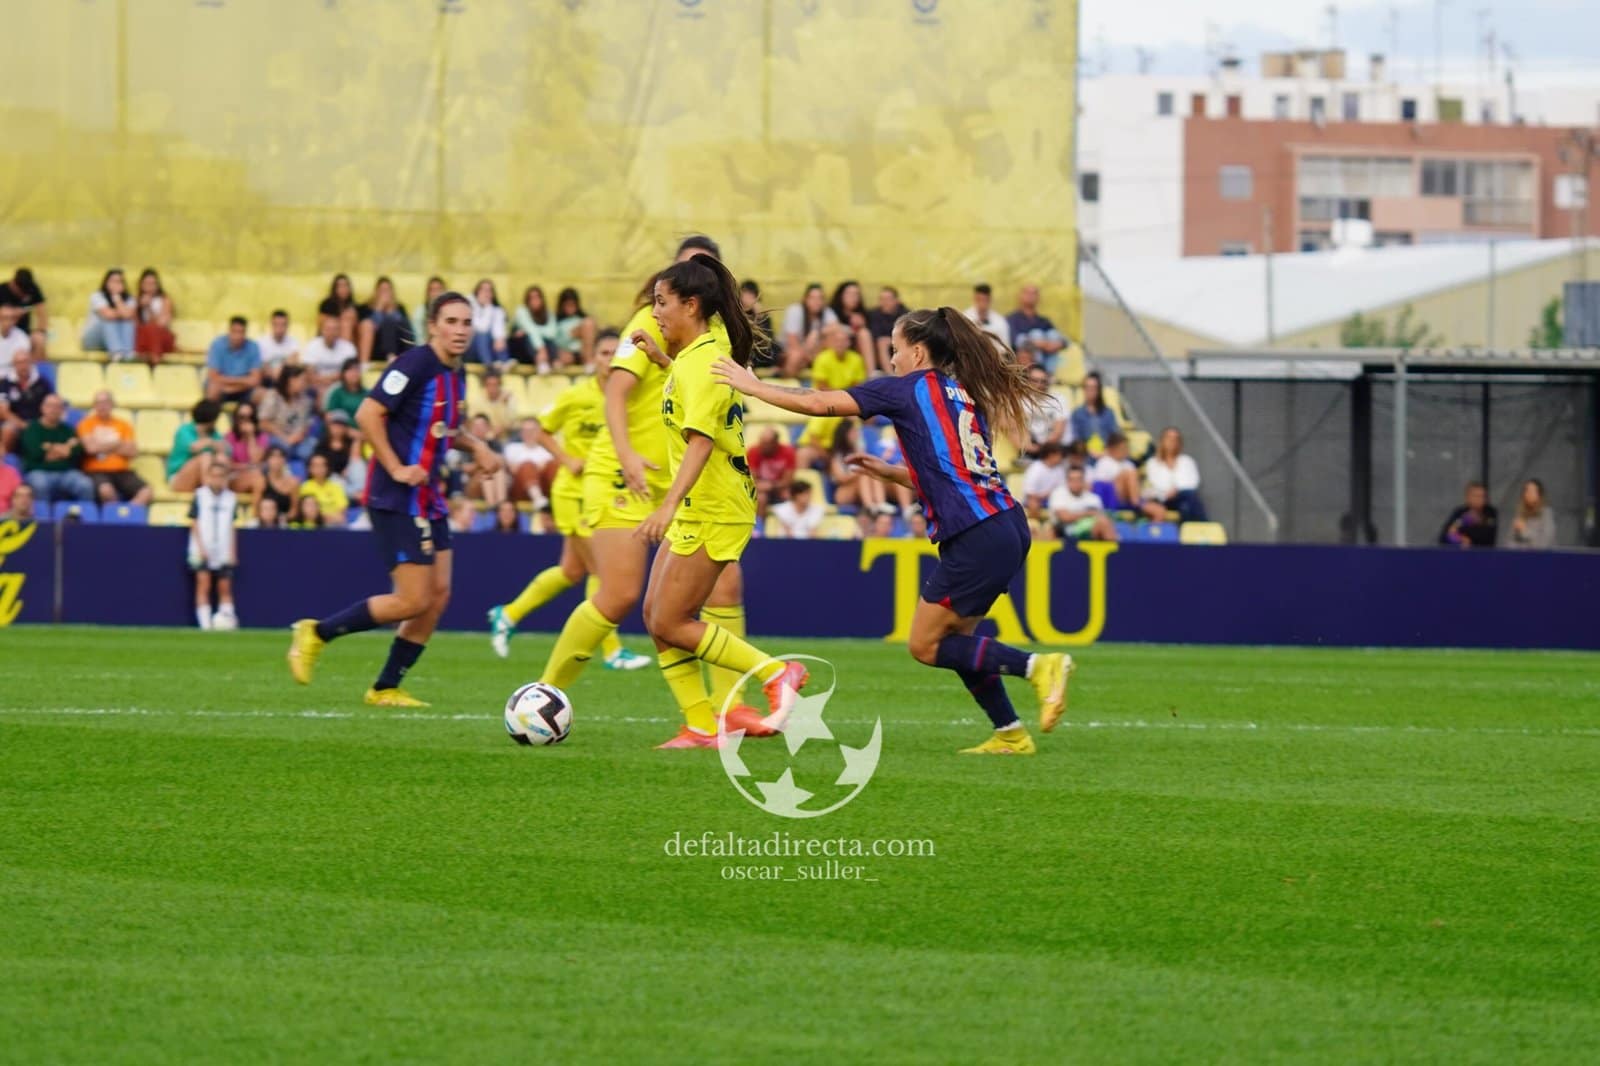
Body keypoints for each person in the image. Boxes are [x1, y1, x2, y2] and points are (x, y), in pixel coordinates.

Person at [714, 305, 1074, 755]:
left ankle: (1038, 666)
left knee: (925, 645)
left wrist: (752, 385)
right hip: (1004, 523)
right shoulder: (961, 394)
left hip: (977, 531)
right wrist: (891, 472)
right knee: (955, 640)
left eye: (895, 350)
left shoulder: (905, 389)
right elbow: (954, 471)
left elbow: (819, 403)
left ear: (918, 352)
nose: (891, 361)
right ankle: (1011, 734)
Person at [533, 237, 767, 743]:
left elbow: (694, 393)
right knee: (621, 595)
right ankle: (544, 693)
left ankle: (726, 711)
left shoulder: (712, 336)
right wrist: (625, 456)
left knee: (717, 591)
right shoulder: (646, 320)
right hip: (627, 476)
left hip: (689, 485)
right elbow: (616, 391)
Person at [287, 290, 502, 706]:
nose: (460, 330)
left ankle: (385, 687)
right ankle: (316, 633)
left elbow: (445, 430)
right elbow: (368, 413)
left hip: (427, 496)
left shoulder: (456, 374)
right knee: (412, 600)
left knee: (438, 596)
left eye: (466, 322)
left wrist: (478, 447)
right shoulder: (415, 363)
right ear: (433, 326)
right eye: (451, 322)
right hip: (396, 496)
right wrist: (397, 467)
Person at [633, 253, 808, 749]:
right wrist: (660, 361)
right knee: (655, 616)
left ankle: (777, 673)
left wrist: (667, 505)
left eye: (662, 303)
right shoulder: (692, 359)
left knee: (670, 620)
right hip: (702, 505)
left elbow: (701, 440)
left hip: (713, 506)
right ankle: (700, 724)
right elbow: (696, 396)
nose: (656, 312)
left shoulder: (707, 362)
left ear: (691, 305)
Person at [487, 331, 651, 670]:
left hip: (605, 489)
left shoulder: (628, 397)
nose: (609, 359)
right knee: (599, 570)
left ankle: (508, 613)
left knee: (571, 570)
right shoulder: (576, 396)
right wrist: (565, 458)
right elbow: (542, 430)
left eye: (614, 352)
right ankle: (612, 650)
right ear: (594, 358)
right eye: (603, 352)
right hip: (573, 492)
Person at [797, 322, 869, 461]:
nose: (840, 344)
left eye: (843, 340)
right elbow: (822, 387)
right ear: (830, 342)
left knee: (862, 422)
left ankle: (858, 461)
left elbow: (857, 387)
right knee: (803, 454)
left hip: (848, 406)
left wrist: (842, 397)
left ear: (849, 342)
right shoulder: (822, 359)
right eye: (836, 340)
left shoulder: (856, 359)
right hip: (824, 402)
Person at [188, 461, 239, 630]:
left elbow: (232, 526)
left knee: (224, 586)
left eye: (221, 476)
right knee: (204, 583)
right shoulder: (200, 495)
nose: (217, 479)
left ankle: (228, 621)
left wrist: (232, 551)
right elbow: (194, 522)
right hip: (201, 548)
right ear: (208, 477)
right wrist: (201, 547)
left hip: (223, 547)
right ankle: (205, 625)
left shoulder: (231, 498)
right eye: (214, 475)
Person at [77, 389, 151, 506]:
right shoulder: (86, 423)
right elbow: (91, 449)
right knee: (106, 491)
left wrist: (101, 444)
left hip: (122, 471)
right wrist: (117, 443)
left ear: (112, 404)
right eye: (98, 403)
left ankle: (128, 514)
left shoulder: (124, 424)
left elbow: (132, 451)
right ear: (94, 406)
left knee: (146, 492)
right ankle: (116, 515)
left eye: (105, 402)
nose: (102, 406)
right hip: (96, 471)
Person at [21, 394, 94, 505]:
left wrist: (49, 447)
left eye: (58, 407)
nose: (54, 410)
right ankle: (42, 521)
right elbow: (36, 452)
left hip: (66, 473)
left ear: (63, 410)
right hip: (39, 472)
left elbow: (77, 451)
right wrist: (65, 448)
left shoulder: (68, 430)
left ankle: (85, 519)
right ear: (42, 408)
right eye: (50, 406)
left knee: (85, 484)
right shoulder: (32, 429)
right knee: (40, 485)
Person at [1140, 427, 1205, 523]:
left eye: (1175, 439)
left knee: (1186, 506)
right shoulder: (1153, 462)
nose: (1172, 442)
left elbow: (1193, 482)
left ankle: (1192, 533)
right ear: (1162, 441)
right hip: (1162, 499)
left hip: (1184, 497)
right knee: (1189, 499)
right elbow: (1157, 483)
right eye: (1169, 438)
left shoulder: (1187, 461)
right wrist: (1170, 492)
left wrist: (1177, 489)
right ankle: (1203, 526)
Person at [257, 364, 318, 464]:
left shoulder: (305, 400)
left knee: (311, 448)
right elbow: (264, 423)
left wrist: (299, 435)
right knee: (281, 448)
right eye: (302, 380)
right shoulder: (273, 396)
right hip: (277, 436)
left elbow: (306, 423)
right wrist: (285, 438)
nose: (304, 384)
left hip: (297, 438)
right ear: (291, 380)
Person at [166, 399, 225, 492]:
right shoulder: (184, 431)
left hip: (200, 480)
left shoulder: (214, 434)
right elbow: (194, 447)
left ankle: (220, 493)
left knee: (221, 458)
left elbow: (225, 449)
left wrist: (212, 444)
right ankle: (209, 494)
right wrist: (211, 443)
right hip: (178, 478)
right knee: (205, 457)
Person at [2, 350, 54, 454]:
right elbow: (3, 411)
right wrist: (23, 425)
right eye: (19, 363)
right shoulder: (5, 383)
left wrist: (37, 425)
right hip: (16, 423)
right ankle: (4, 460)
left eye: (25, 362)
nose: (23, 366)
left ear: (31, 362)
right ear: (14, 365)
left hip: (39, 423)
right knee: (8, 429)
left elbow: (50, 405)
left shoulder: (42, 382)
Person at [1049, 463, 1117, 542]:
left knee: (1105, 522)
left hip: (1091, 533)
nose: (1075, 483)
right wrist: (1089, 513)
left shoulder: (1094, 498)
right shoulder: (1058, 494)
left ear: (1083, 480)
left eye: (1079, 479)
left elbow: (1100, 516)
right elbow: (1065, 517)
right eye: (1072, 479)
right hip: (1065, 531)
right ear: (1067, 481)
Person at [1006, 285, 1065, 375]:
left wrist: (1058, 344)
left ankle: (1048, 374)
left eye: (1034, 293)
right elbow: (1015, 340)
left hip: (1046, 359)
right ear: (1020, 296)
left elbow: (1063, 340)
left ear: (1038, 298)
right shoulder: (1012, 319)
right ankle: (1037, 371)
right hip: (1023, 361)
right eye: (1027, 293)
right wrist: (1036, 343)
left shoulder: (1043, 321)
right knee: (1036, 334)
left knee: (1053, 335)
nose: (1030, 296)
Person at [780, 283, 838, 376]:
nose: (817, 301)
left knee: (831, 342)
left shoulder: (826, 312)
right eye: (813, 298)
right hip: (790, 351)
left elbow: (836, 328)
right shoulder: (795, 311)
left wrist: (818, 333)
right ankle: (787, 384)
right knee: (796, 356)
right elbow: (792, 343)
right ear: (805, 299)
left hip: (815, 352)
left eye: (820, 298)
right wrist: (808, 355)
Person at [205, 316, 263, 404]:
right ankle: (208, 417)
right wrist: (243, 380)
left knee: (263, 394)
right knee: (213, 389)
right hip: (223, 387)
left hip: (244, 389)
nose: (237, 336)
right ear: (229, 331)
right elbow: (213, 376)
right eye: (234, 331)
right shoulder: (217, 345)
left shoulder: (253, 347)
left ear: (245, 333)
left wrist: (232, 388)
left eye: (241, 332)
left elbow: (255, 380)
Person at [82, 268, 136, 360]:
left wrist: (117, 298)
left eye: (119, 282)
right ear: (106, 282)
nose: (116, 284)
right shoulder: (97, 296)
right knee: (108, 322)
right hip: (93, 340)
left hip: (116, 341)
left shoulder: (130, 299)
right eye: (113, 281)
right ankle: (117, 354)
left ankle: (128, 355)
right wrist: (122, 311)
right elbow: (108, 315)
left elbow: (128, 316)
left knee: (128, 323)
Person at [358, 275, 412, 364]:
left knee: (392, 321)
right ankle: (365, 364)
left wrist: (391, 311)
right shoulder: (366, 308)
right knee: (385, 322)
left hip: (397, 345)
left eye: (388, 290)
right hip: (376, 345)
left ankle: (407, 360)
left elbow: (404, 328)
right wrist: (379, 309)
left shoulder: (400, 307)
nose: (385, 293)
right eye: (382, 290)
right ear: (376, 292)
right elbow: (366, 328)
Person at [1019, 364, 1068, 459]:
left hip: (1052, 448)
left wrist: (1043, 447)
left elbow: (1058, 431)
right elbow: (1018, 430)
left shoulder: (1058, 399)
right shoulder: (1021, 401)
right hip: (1029, 448)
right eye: (1035, 380)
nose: (1039, 385)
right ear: (1027, 381)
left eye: (1043, 381)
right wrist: (1031, 447)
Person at [747, 426, 796, 519]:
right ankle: (759, 529)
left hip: (779, 488)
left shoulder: (788, 452)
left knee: (789, 494)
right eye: (761, 442)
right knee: (760, 498)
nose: (762, 446)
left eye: (766, 443)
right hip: (761, 489)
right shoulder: (753, 451)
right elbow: (752, 479)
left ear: (775, 443)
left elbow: (788, 480)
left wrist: (771, 486)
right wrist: (762, 486)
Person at [302, 314, 358, 395]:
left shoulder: (348, 348)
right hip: (317, 387)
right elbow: (310, 375)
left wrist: (327, 381)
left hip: (342, 388)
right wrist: (333, 378)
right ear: (322, 330)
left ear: (339, 331)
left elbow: (351, 374)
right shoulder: (312, 345)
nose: (331, 333)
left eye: (335, 329)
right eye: (328, 329)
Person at [511, 285, 562, 371]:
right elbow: (530, 329)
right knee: (527, 337)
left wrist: (533, 331)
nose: (535, 301)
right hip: (521, 349)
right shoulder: (521, 311)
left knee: (548, 340)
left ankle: (549, 361)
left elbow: (552, 333)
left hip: (541, 348)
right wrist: (541, 349)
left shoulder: (549, 313)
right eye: (531, 298)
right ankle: (543, 362)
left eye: (537, 297)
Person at [0, 268, 48, 358]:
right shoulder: (2, 290)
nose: (24, 295)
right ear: (14, 284)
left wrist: (41, 331)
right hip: (4, 332)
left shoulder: (33, 289)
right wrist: (13, 314)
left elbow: (42, 312)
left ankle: (32, 370)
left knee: (39, 340)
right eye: (21, 292)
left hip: (24, 331)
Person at [134, 268, 177, 364]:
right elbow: (133, 325)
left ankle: (155, 362)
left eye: (153, 284)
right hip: (143, 339)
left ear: (157, 285)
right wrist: (137, 307)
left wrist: (149, 308)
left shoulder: (165, 300)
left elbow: (161, 324)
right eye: (147, 283)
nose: (149, 287)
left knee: (152, 329)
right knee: (141, 331)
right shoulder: (135, 300)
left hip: (161, 339)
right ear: (141, 285)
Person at [829, 281, 875, 370]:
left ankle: (870, 373)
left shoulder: (863, 314)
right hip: (836, 348)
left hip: (855, 350)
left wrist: (863, 325)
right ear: (841, 295)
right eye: (849, 294)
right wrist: (851, 329)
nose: (853, 298)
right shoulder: (831, 312)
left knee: (864, 333)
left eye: (856, 294)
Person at [1070, 372, 1120, 456]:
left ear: (1099, 390)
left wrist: (1106, 452)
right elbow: (1076, 439)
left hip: (1107, 455)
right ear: (1084, 389)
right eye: (1087, 387)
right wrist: (1089, 452)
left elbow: (1114, 436)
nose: (1091, 391)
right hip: (1084, 456)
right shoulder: (1077, 414)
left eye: (1094, 387)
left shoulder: (1108, 413)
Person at [1439, 481, 1498, 549]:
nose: (1481, 499)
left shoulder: (1491, 512)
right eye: (1477, 496)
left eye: (1483, 496)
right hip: (1462, 554)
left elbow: (1487, 537)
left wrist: (1463, 531)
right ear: (1468, 497)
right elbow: (1444, 537)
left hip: (1484, 554)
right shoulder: (1460, 512)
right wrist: (1460, 538)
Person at [1090, 431, 1141, 510]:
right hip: (1111, 498)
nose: (1126, 451)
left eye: (1126, 448)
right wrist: (1120, 477)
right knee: (1128, 473)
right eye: (1123, 448)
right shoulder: (1104, 462)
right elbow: (1099, 487)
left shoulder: (1129, 464)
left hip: (1126, 496)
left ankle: (1136, 504)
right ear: (1113, 448)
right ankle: (1136, 505)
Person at [297, 452, 350, 526]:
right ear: (309, 468)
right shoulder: (305, 487)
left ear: (327, 468)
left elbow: (342, 514)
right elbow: (307, 513)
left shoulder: (336, 487)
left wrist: (322, 516)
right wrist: (325, 517)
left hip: (334, 526)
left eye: (322, 465)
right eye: (316, 465)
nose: (319, 468)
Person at [866, 285, 908, 374]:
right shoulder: (874, 314)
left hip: (900, 343)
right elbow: (875, 334)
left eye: (888, 299)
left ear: (897, 300)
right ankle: (889, 375)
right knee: (881, 342)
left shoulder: (906, 314)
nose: (885, 302)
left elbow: (907, 333)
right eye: (882, 299)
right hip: (880, 347)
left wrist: (892, 340)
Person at [1020, 441, 1068, 518]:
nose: (1061, 458)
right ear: (1051, 455)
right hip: (1037, 499)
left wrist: (1051, 495)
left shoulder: (1060, 469)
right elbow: (1030, 493)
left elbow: (1062, 489)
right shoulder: (1035, 468)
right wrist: (1044, 496)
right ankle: (1035, 525)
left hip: (1054, 498)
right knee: (1033, 503)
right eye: (1060, 455)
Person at [468, 279, 508, 368]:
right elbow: (481, 327)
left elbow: (500, 331)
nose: (486, 293)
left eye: (489, 290)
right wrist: (487, 307)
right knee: (481, 335)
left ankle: (503, 363)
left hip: (491, 349)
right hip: (470, 349)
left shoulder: (497, 310)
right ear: (477, 292)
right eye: (483, 290)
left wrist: (499, 339)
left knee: (500, 338)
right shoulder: (468, 304)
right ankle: (490, 366)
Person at [553, 287, 597, 367]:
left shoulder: (583, 319)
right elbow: (555, 340)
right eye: (567, 305)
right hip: (565, 352)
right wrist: (572, 334)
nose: (570, 307)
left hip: (582, 351)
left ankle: (588, 360)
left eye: (572, 304)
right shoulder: (556, 321)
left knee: (588, 323)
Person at [1508, 478, 1555, 549]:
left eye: (1532, 491)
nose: (1529, 494)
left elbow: (1545, 543)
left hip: (1542, 558)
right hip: (1522, 558)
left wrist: (1524, 531)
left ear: (1539, 495)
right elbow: (1509, 543)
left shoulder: (1546, 514)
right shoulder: (1520, 514)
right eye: (1527, 490)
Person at [963, 283, 1011, 348]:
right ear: (974, 298)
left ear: (990, 300)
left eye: (985, 300)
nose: (982, 303)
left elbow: (1005, 346)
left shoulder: (999, 321)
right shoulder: (965, 318)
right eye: (979, 299)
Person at [257, 310, 299, 382]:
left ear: (288, 326)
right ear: (271, 325)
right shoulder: (261, 342)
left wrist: (279, 371)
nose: (280, 328)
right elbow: (263, 367)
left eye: (283, 325)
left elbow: (294, 360)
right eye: (276, 324)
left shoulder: (293, 341)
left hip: (286, 381)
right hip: (268, 380)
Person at [259, 447, 300, 519]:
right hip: (264, 524)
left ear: (285, 460)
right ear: (268, 460)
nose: (277, 461)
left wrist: (283, 520)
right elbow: (256, 508)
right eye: (273, 457)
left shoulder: (293, 483)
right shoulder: (261, 481)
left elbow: (294, 509)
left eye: (280, 457)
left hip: (285, 524)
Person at [324, 358, 367, 422]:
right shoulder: (337, 393)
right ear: (343, 373)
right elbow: (329, 416)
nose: (354, 373)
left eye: (357, 369)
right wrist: (349, 431)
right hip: (343, 429)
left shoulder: (368, 394)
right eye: (350, 370)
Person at [739, 280, 776, 355]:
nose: (747, 298)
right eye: (745, 294)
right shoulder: (737, 313)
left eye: (751, 295)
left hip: (762, 350)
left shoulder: (762, 315)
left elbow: (768, 339)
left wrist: (759, 315)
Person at [318, 274, 358, 342]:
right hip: (330, 338)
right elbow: (322, 326)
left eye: (346, 285)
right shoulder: (326, 304)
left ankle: (346, 350)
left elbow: (357, 329)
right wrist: (341, 320)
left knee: (348, 322)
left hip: (350, 338)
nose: (343, 289)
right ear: (334, 289)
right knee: (345, 324)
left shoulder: (354, 306)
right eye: (340, 286)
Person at [477, 371, 517, 440]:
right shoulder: (477, 400)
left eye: (495, 385)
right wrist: (491, 434)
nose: (492, 388)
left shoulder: (508, 399)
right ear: (484, 385)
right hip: (483, 439)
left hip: (505, 439)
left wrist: (504, 404)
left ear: (500, 385)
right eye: (489, 385)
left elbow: (511, 423)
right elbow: (476, 424)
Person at [410, 277, 446, 346]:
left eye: (439, 289)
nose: (436, 293)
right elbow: (418, 339)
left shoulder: (451, 311)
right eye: (433, 290)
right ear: (428, 293)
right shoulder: (420, 312)